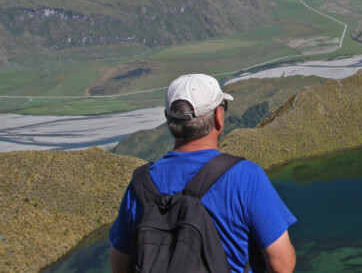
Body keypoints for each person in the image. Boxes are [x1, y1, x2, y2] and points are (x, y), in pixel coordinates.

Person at [108, 73, 297, 273]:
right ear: (218, 117)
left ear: (168, 120)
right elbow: (282, 265)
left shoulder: (141, 184)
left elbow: (119, 265)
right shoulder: (245, 177)